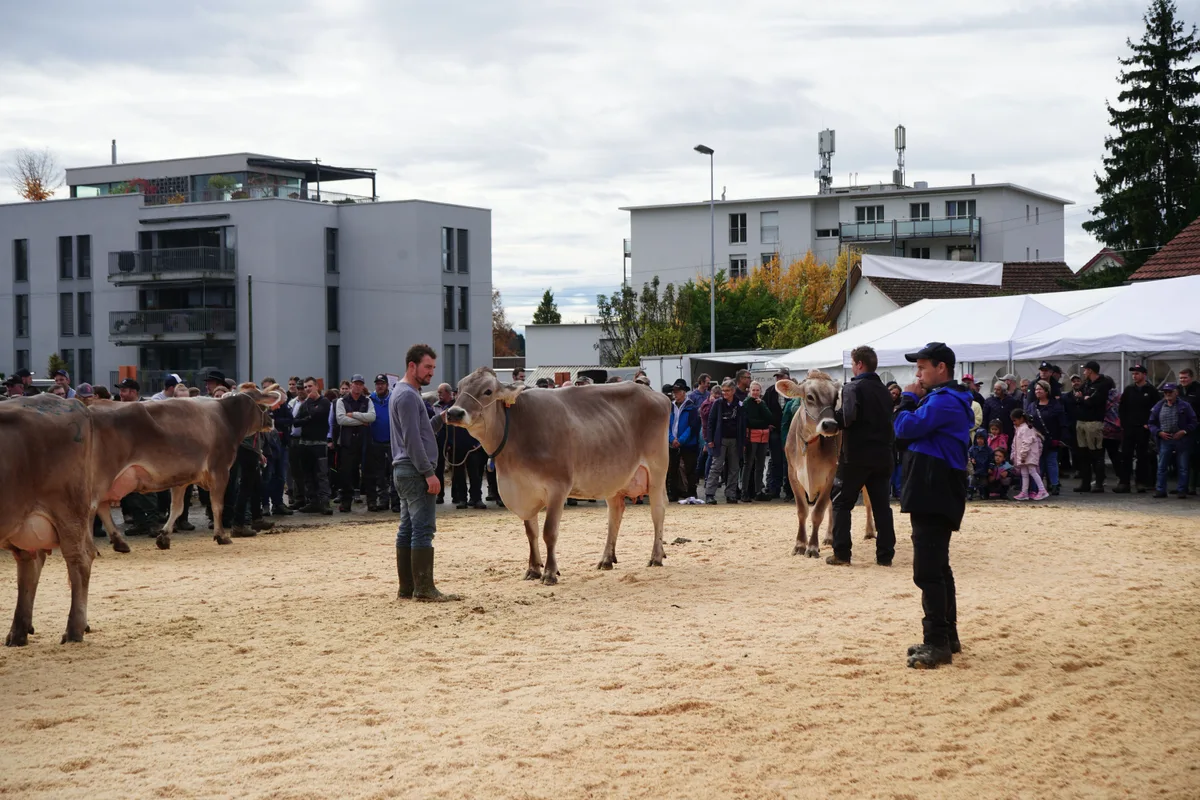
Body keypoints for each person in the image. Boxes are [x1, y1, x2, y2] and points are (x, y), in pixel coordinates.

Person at [893, 342, 973, 669]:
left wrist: (907, 400)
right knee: (939, 567)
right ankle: (947, 637)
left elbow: (902, 428)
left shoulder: (945, 401)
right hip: (935, 487)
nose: (917, 374)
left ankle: (937, 642)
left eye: (923, 368)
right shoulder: (946, 400)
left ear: (942, 368)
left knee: (927, 570)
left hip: (934, 488)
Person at [390, 343, 460, 602]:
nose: (431, 372)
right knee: (422, 529)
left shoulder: (403, 392)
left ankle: (407, 588)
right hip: (415, 470)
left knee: (407, 527)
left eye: (433, 367)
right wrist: (429, 473)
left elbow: (419, 432)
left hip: (404, 468)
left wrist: (440, 419)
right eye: (427, 366)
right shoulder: (408, 396)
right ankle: (424, 589)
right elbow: (412, 440)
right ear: (412, 365)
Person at [827, 345, 897, 567]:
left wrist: (833, 415)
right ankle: (885, 556)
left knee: (841, 502)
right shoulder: (886, 391)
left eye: (852, 364)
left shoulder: (852, 388)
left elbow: (847, 417)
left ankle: (842, 554)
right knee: (881, 507)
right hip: (883, 455)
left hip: (855, 457)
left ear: (859, 364)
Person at [1114, 364, 1160, 494]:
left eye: (1137, 373)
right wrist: (1123, 424)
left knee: (1142, 456)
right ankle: (1124, 482)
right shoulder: (1129, 390)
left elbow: (1157, 408)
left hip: (1143, 428)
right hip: (1129, 428)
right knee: (1126, 455)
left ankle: (1141, 482)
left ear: (1144, 375)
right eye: (1133, 374)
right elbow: (1122, 408)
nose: (1134, 376)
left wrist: (1150, 423)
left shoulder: (1151, 390)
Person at [292, 377, 333, 515]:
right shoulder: (305, 404)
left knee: (321, 475)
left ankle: (324, 503)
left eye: (310, 386)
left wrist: (307, 417)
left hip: (319, 444)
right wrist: (308, 418)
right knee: (308, 475)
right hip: (305, 444)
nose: (307, 389)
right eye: (305, 387)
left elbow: (319, 414)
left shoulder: (325, 402)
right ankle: (313, 502)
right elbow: (296, 421)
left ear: (317, 386)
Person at [335, 374, 376, 513]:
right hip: (347, 442)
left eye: (360, 384)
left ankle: (371, 502)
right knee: (346, 473)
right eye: (355, 383)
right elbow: (341, 420)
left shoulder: (368, 401)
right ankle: (346, 502)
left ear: (363, 386)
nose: (357, 386)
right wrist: (362, 420)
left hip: (365, 441)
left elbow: (372, 417)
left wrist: (353, 414)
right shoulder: (341, 401)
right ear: (351, 384)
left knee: (369, 472)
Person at [1148, 383, 1196, 498]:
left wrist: (1184, 431)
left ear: (1176, 393)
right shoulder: (1158, 406)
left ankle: (1181, 491)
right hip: (1165, 439)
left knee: (1183, 466)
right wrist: (1159, 432)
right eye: (1165, 392)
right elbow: (1151, 423)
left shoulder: (1185, 406)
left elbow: (1194, 422)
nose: (1168, 394)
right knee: (1162, 466)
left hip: (1182, 440)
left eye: (1170, 392)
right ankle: (1160, 490)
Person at [1074, 360, 1115, 493]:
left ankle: (1098, 483)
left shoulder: (1102, 385)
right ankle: (1085, 483)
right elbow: (1077, 397)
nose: (1084, 372)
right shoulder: (1086, 384)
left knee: (1096, 454)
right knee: (1083, 453)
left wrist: (1084, 399)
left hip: (1094, 423)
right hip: (1081, 421)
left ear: (1090, 370)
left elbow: (1094, 402)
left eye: (1085, 370)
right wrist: (1083, 399)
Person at [703, 380, 745, 505]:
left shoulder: (739, 404)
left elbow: (743, 424)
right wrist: (709, 440)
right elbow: (710, 422)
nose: (724, 393)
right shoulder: (718, 403)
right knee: (716, 466)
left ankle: (731, 494)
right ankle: (710, 494)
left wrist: (742, 443)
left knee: (734, 468)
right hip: (720, 439)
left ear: (733, 391)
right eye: (723, 390)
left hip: (735, 440)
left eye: (727, 390)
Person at [1025, 379, 1067, 495]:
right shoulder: (1032, 406)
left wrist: (1059, 439)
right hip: (1035, 440)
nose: (1037, 391)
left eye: (1040, 389)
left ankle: (1054, 485)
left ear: (1047, 391)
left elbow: (1062, 423)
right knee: (1039, 463)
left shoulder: (1055, 406)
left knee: (1051, 462)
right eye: (1036, 389)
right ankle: (1039, 487)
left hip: (1051, 439)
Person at [367, 375, 399, 512]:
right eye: (377, 384)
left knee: (395, 473)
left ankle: (396, 502)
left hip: (392, 441)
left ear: (387, 385)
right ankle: (383, 501)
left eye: (382, 383)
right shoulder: (370, 400)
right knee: (379, 474)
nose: (379, 386)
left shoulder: (393, 398)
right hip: (376, 441)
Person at [667, 383, 701, 501]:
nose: (675, 394)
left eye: (677, 392)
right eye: (674, 392)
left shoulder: (692, 407)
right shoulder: (670, 406)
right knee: (672, 469)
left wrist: (680, 440)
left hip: (688, 443)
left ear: (683, 392)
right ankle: (673, 493)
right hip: (672, 443)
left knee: (690, 469)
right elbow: (666, 425)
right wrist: (671, 439)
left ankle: (691, 492)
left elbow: (692, 427)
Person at [742, 381, 774, 503]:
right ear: (749, 391)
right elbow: (750, 421)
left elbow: (770, 418)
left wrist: (762, 406)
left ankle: (758, 491)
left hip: (763, 437)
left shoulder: (762, 403)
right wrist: (763, 423)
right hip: (752, 436)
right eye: (753, 390)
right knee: (748, 464)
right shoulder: (746, 403)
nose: (755, 392)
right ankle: (745, 492)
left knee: (760, 465)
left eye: (757, 390)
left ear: (760, 392)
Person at [763, 368, 790, 501]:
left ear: (787, 378)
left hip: (790, 432)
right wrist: (767, 423)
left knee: (788, 461)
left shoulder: (792, 392)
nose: (778, 379)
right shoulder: (770, 392)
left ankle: (789, 490)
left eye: (781, 377)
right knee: (775, 461)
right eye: (777, 377)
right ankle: (775, 489)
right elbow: (763, 408)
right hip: (775, 431)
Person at [1009, 408, 1048, 501]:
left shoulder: (1026, 428)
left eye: (1015, 420)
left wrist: (1022, 455)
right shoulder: (1020, 429)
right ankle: (1024, 492)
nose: (1014, 422)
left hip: (1028, 456)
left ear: (1021, 418)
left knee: (1032, 472)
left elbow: (1026, 443)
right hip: (1024, 456)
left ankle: (1042, 490)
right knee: (1024, 474)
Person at [1179, 368, 1200, 495]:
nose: (1183, 380)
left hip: (1196, 428)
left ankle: (1192, 485)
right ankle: (1182, 486)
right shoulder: (1177, 389)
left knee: (1195, 457)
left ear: (1191, 377)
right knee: (1182, 457)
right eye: (1181, 378)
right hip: (1180, 429)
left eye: (1185, 377)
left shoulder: (1198, 389)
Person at [967, 431, 991, 500]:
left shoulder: (988, 450)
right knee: (972, 481)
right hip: (974, 469)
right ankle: (970, 494)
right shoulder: (972, 448)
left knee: (983, 483)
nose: (979, 440)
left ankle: (982, 494)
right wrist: (971, 459)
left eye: (981, 439)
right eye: (978, 438)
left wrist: (990, 468)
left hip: (984, 469)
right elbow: (969, 456)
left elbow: (991, 460)